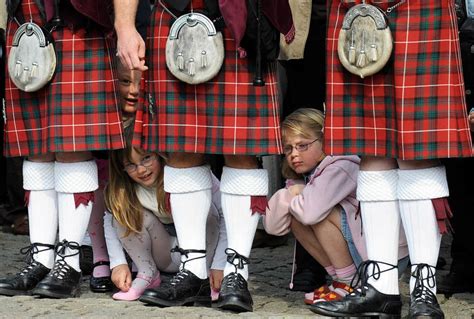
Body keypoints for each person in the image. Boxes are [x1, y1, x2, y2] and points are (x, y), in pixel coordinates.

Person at [114, 0, 294, 312]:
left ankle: (236, 272)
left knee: (243, 150)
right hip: (172, 15)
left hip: (240, 13)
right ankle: (192, 272)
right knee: (180, 149)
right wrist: (125, 27)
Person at [311, 1, 472, 318]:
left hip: (420, 9)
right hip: (355, 8)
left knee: (417, 151)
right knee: (372, 147)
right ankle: (380, 288)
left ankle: (423, 289)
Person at [0, 0, 124, 298]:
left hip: (76, 22)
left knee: (73, 145)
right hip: (25, 21)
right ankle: (42, 259)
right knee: (36, 146)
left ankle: (68, 262)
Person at [103, 138, 227, 301]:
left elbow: (226, 217)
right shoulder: (124, 189)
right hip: (164, 252)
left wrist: (219, 264)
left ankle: (202, 275)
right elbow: (110, 220)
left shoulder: (193, 175)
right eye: (131, 165)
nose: (141, 170)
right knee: (124, 212)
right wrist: (118, 262)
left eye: (146, 158)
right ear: (122, 168)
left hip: (205, 252)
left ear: (160, 154)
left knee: (208, 209)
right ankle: (148, 274)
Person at [264, 108, 363, 303]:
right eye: (288, 148)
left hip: (373, 254)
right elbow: (274, 228)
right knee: (296, 215)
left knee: (316, 212)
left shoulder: (341, 165)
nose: (294, 154)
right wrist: (289, 193)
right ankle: (342, 280)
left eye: (302, 146)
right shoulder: (302, 178)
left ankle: (349, 280)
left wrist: (295, 194)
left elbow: (310, 213)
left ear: (324, 142)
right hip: (355, 247)